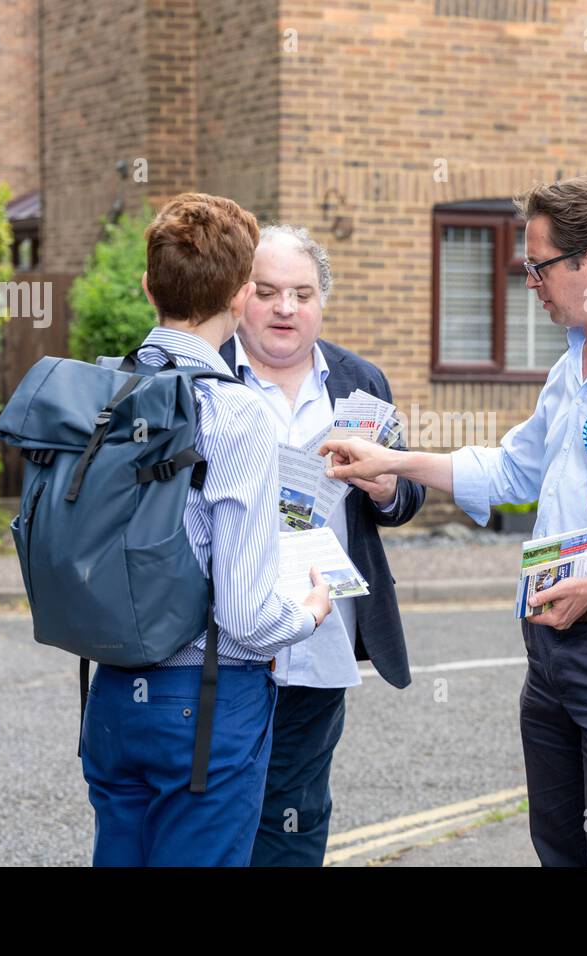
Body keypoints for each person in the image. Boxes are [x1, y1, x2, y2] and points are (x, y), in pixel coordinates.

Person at [322, 178, 587, 866]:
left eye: (538, 265)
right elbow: (512, 471)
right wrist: (393, 460)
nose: (530, 283)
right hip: (552, 638)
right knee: (561, 845)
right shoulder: (570, 367)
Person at [80, 194, 332, 867]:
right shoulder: (236, 413)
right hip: (206, 701)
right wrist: (308, 614)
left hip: (109, 693)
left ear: (146, 286)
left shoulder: (99, 394)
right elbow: (248, 617)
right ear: (243, 292)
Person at [220, 224, 425, 866]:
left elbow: (399, 501)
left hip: (320, 633)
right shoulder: (203, 374)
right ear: (237, 298)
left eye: (302, 293)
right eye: (268, 291)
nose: (286, 308)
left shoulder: (360, 382)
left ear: (321, 302)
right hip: (223, 639)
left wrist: (390, 487)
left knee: (296, 810)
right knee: (221, 805)